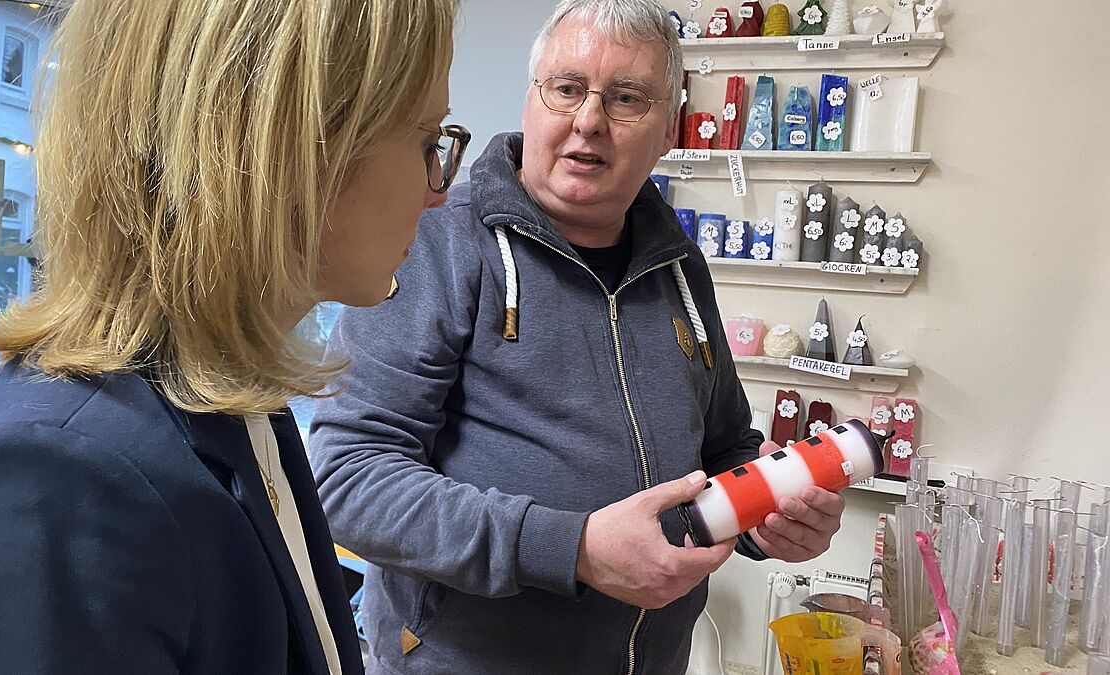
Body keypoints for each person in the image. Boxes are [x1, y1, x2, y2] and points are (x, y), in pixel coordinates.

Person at [0, 0, 465, 672]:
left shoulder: (236, 406)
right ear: (294, 149)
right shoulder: (54, 482)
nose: (438, 192)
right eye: (427, 140)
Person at [307, 0, 846, 673]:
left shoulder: (680, 267)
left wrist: (767, 512)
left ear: (668, 130)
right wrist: (573, 546)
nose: (589, 120)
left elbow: (724, 447)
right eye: (567, 89)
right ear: (531, 101)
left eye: (626, 98)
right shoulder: (436, 239)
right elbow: (348, 479)